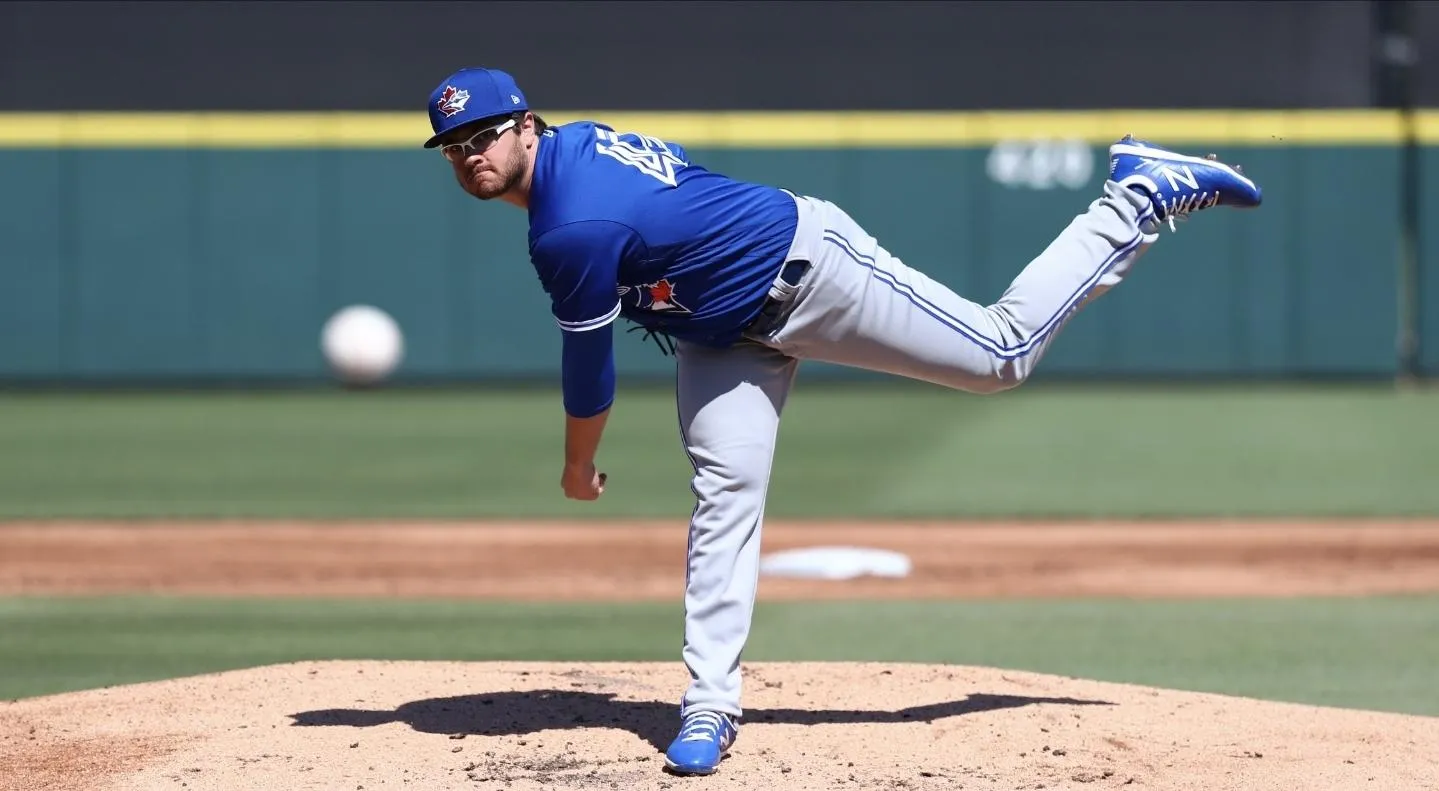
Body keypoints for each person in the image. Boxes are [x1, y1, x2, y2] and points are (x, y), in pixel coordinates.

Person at [421, 66, 1261, 776]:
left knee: (998, 354)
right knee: (724, 498)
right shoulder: (576, 147)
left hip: (810, 272)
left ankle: (1134, 196)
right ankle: (709, 704)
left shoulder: (568, 226)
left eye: (482, 136)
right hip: (720, 335)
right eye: (453, 147)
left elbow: (588, 371)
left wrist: (578, 467)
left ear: (525, 126)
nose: (469, 156)